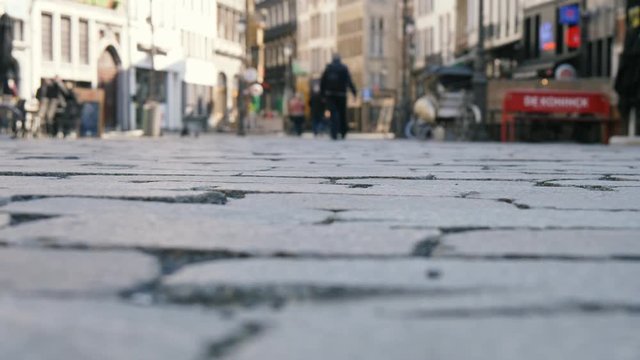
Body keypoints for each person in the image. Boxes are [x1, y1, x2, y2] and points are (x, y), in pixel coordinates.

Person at [320, 53, 357, 140]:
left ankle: (333, 131)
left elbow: (323, 82)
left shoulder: (328, 68)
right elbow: (349, 81)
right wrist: (354, 92)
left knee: (333, 112)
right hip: (341, 94)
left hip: (330, 94)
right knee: (342, 113)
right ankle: (343, 131)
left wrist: (322, 95)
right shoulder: (343, 68)